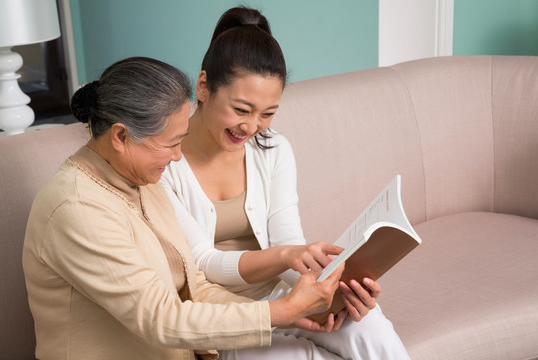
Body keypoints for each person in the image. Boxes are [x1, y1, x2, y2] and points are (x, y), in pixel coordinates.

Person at [22, 56, 347, 360]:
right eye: (171, 144)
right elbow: (160, 318)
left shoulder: (142, 182)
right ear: (121, 136)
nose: (178, 157)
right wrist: (283, 312)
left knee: (345, 334)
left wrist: (291, 314)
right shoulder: (77, 208)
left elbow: (195, 287)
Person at [161, 7, 411, 360]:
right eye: (242, 109)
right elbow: (203, 261)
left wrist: (330, 293)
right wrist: (287, 257)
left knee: (370, 327)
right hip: (226, 318)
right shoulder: (164, 162)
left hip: (282, 296)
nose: (251, 127)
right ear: (203, 87)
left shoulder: (274, 149)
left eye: (267, 113)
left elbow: (287, 238)